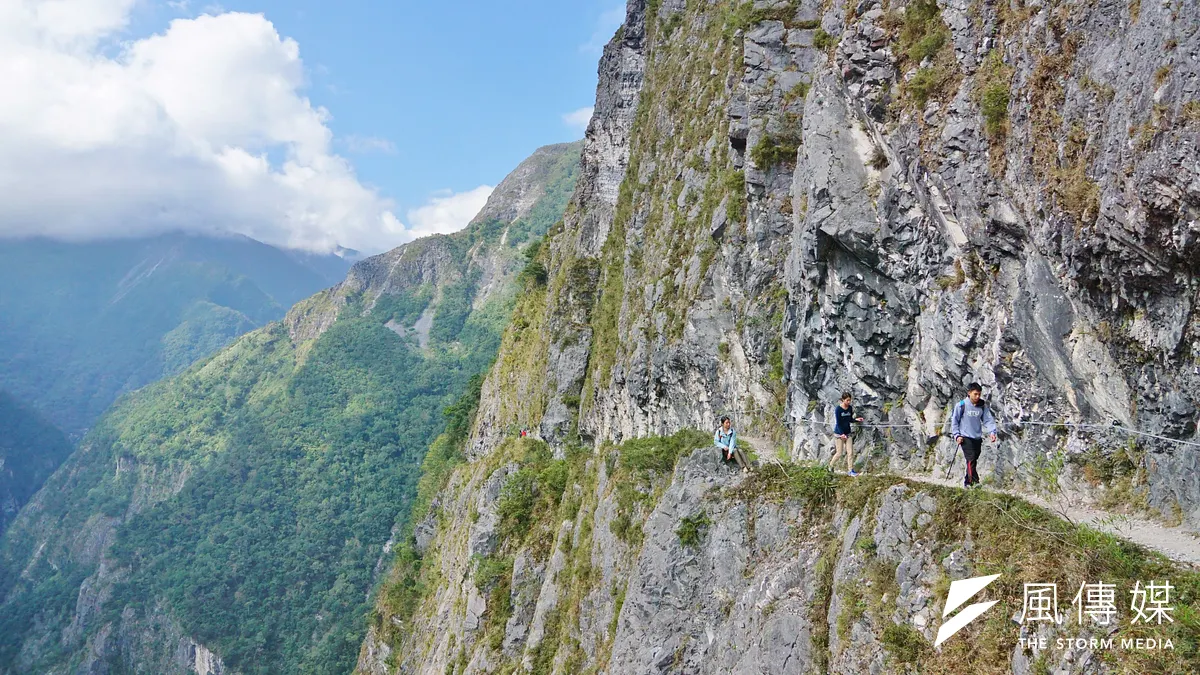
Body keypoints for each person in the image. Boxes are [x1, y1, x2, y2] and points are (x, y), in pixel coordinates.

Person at [950, 382, 998, 487]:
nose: (977, 397)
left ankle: (970, 481)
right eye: (975, 394)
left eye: (979, 394)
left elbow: (988, 420)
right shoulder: (961, 405)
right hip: (965, 438)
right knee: (971, 459)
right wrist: (957, 435)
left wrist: (992, 432)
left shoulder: (982, 406)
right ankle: (972, 483)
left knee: (973, 460)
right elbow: (954, 422)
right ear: (969, 393)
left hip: (977, 437)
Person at [829, 392, 864, 476]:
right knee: (839, 453)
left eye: (850, 400)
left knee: (850, 452)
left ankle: (850, 470)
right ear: (843, 400)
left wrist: (857, 420)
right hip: (839, 434)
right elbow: (839, 423)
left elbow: (850, 419)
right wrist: (841, 434)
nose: (849, 402)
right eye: (847, 400)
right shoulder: (838, 409)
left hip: (848, 433)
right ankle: (830, 466)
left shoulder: (850, 408)